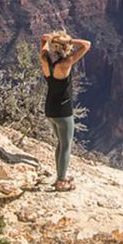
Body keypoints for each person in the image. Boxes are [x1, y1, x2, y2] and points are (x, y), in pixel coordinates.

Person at [39, 30, 91, 191]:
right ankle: (61, 181)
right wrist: (69, 41)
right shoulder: (65, 64)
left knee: (60, 144)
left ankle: (60, 175)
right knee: (66, 145)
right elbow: (86, 45)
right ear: (65, 47)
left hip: (50, 110)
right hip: (63, 111)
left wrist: (52, 41)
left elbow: (43, 41)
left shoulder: (45, 60)